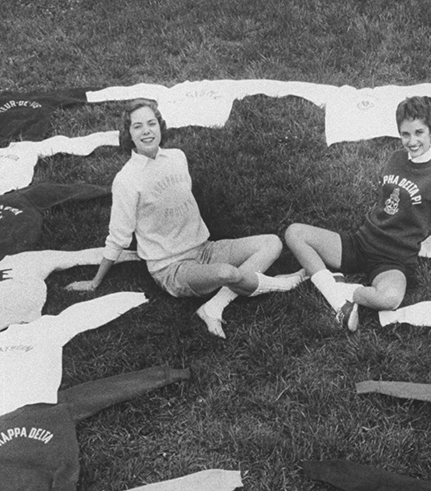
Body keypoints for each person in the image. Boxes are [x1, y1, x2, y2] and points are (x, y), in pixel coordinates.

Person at [67, 99, 305, 338]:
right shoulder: (126, 179)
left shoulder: (177, 157)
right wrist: (95, 281)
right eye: (137, 126)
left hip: (205, 249)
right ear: (128, 134)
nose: (146, 131)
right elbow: (118, 236)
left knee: (272, 243)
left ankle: (213, 307)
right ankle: (284, 284)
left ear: (160, 126)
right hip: (171, 268)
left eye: (151, 123)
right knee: (228, 274)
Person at [285, 95, 431, 332]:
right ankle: (336, 297)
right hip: (361, 243)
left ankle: (340, 289)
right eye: (405, 134)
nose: (412, 141)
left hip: (394, 259)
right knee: (295, 233)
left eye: (419, 132)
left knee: (389, 299)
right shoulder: (396, 158)